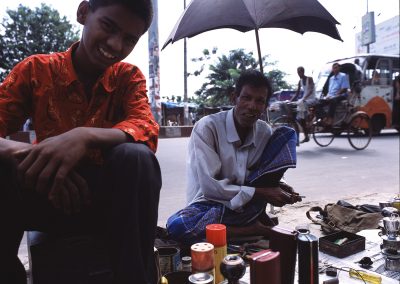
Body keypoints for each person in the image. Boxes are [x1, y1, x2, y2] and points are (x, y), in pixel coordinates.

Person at [0, 1, 161, 284]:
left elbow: (145, 126)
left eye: (129, 39)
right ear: (84, 13)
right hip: (45, 193)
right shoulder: (35, 70)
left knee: (137, 158)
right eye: (109, 27)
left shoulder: (128, 78)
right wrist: (37, 156)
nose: (115, 44)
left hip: (104, 203)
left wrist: (83, 137)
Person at [166, 70, 302, 245]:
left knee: (286, 134)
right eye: (246, 98)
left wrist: (279, 188)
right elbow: (211, 188)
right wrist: (264, 192)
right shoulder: (207, 127)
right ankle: (253, 230)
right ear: (234, 98)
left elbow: (257, 178)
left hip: (246, 206)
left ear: (265, 106)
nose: (252, 106)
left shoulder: (264, 131)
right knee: (177, 226)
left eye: (259, 101)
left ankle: (245, 226)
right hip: (208, 206)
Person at [290, 66, 316, 143]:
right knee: (301, 117)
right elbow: (297, 93)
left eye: (300, 72)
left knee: (301, 109)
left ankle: (305, 117)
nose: (299, 74)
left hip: (312, 98)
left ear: (303, 72)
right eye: (298, 72)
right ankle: (306, 135)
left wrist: (304, 98)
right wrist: (290, 100)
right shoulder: (300, 81)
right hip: (304, 100)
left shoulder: (309, 79)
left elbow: (311, 90)